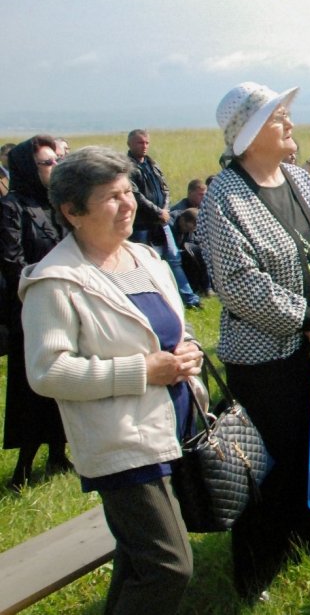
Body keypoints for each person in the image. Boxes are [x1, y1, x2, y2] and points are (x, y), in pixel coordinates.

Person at [196, 82, 310, 601]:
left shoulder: (299, 180)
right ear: (247, 136)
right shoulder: (224, 199)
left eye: (286, 112)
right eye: (276, 117)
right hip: (265, 362)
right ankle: (256, 572)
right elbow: (240, 283)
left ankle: (309, 544)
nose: (289, 121)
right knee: (267, 466)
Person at [23, 146, 204, 611]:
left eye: (129, 192)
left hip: (173, 425)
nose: (128, 204)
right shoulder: (57, 281)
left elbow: (170, 331)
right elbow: (48, 372)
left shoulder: (144, 257)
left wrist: (188, 355)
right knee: (169, 566)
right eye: (111, 197)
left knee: (138, 559)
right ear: (72, 211)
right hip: (121, 442)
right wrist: (144, 371)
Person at [0, 135, 70, 489]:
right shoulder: (11, 206)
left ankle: (58, 454)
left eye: (55, 160)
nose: (54, 166)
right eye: (47, 162)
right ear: (30, 167)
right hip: (31, 308)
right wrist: (44, 285)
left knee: (65, 379)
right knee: (32, 389)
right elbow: (12, 261)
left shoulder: (55, 203)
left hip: (64, 304)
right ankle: (23, 468)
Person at [126, 129, 201, 309]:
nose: (144, 146)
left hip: (162, 222)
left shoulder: (153, 164)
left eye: (146, 142)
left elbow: (165, 189)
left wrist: (164, 210)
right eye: (139, 143)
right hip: (143, 224)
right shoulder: (126, 167)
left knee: (174, 259)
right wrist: (157, 212)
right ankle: (154, 303)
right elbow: (135, 194)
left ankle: (189, 299)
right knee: (146, 264)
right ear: (129, 144)